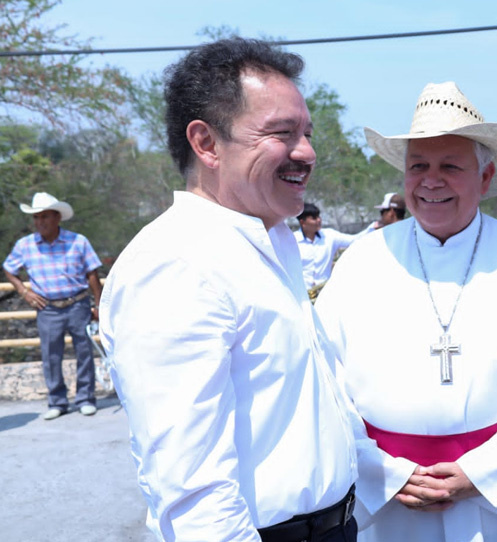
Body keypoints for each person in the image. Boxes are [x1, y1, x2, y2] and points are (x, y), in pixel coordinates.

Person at [98, 38, 357, 542]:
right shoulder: (176, 265)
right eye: (282, 133)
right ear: (207, 143)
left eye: (306, 133)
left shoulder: (271, 240)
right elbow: (194, 491)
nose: (307, 152)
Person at [315, 81, 497, 542]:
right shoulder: (361, 261)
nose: (430, 181)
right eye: (418, 166)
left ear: (486, 177)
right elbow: (327, 382)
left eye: (449, 166)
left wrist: (482, 472)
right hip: (389, 501)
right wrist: (384, 473)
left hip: (495, 500)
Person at [3, 192, 102, 420]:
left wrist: (98, 305)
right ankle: (57, 401)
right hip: (47, 308)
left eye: (45, 217)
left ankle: (86, 398)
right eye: (36, 217)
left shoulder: (78, 241)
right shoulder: (25, 245)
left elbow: (92, 275)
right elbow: (9, 268)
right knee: (51, 355)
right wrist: (23, 291)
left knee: (84, 352)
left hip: (77, 303)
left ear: (57, 217)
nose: (40, 222)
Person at [295, 202, 370, 291]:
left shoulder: (329, 236)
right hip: (302, 292)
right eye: (314, 218)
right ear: (302, 222)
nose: (319, 220)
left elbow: (354, 240)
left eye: (319, 217)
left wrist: (373, 228)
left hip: (324, 290)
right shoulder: (292, 241)